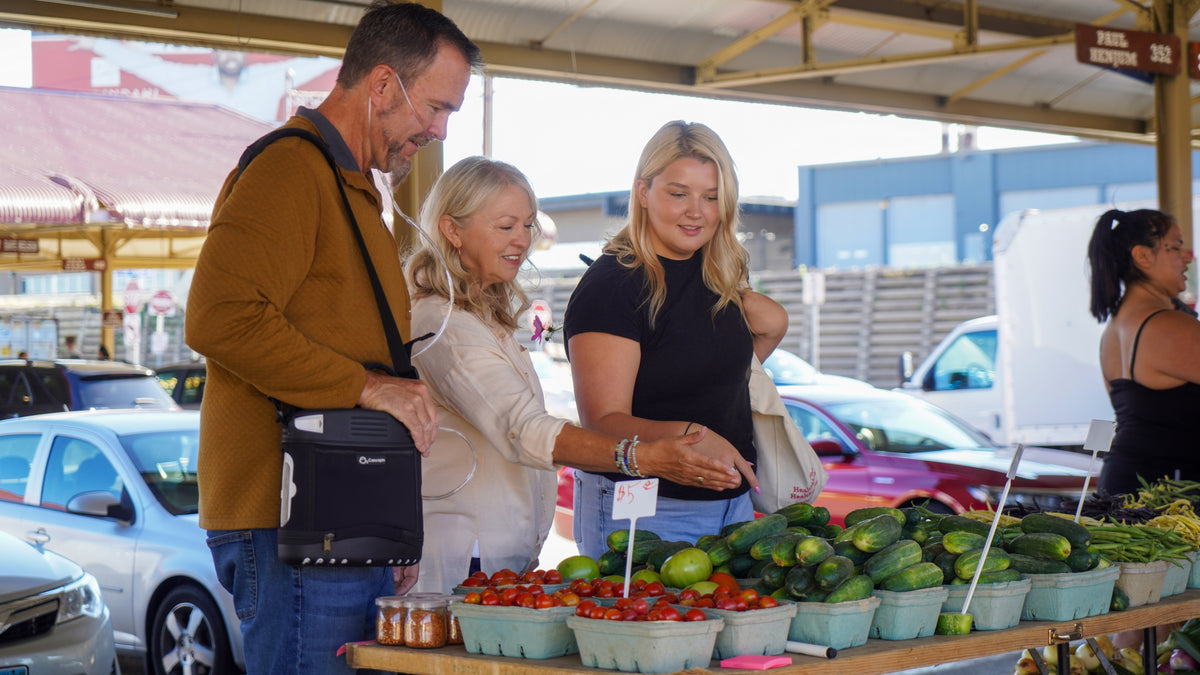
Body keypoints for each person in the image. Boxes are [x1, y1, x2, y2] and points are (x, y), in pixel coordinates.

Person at [184, 3, 481, 673]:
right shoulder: (290, 168)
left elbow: (352, 348)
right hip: (294, 524)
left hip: (341, 522)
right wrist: (372, 387)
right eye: (435, 109)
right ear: (381, 85)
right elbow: (219, 316)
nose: (436, 132)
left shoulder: (351, 187)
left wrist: (391, 527)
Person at [405, 156, 743, 593]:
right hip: (461, 555)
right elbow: (523, 429)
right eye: (505, 226)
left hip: (499, 552)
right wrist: (640, 456)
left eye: (527, 226)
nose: (521, 241)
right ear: (452, 230)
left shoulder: (481, 315)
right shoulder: (445, 324)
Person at [562, 121, 787, 560]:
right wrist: (691, 435)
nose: (696, 211)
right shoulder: (614, 284)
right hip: (647, 511)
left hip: (733, 510)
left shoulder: (719, 277)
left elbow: (712, 383)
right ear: (643, 192)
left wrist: (770, 329)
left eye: (711, 197)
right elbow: (602, 421)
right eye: (678, 193)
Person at [1087, 208, 1200, 496]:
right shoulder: (1169, 326)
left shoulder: (1113, 331)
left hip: (1125, 484)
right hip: (1166, 497)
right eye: (1174, 247)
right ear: (1143, 256)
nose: (1188, 256)